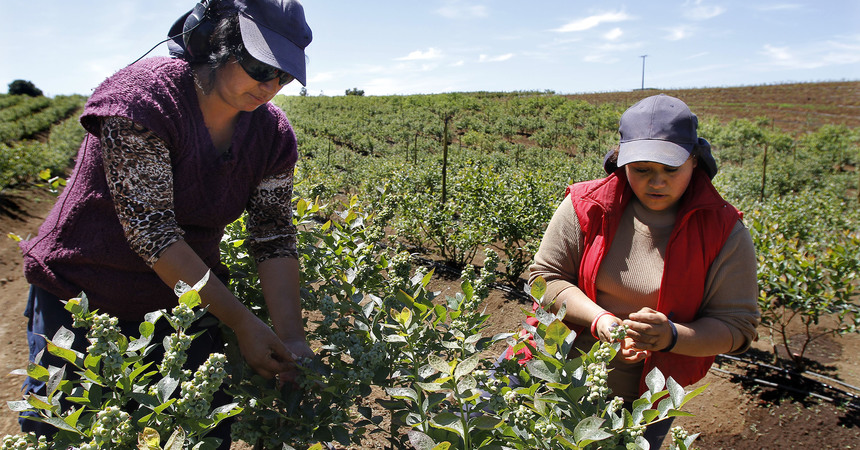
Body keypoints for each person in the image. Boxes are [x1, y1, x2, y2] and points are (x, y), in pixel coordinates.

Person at [17, 0, 313, 446]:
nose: (270, 85)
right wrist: (243, 323)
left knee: (202, 430)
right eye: (258, 65)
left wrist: (291, 340)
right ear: (213, 41)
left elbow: (272, 235)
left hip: (182, 302)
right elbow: (152, 232)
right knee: (65, 428)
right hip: (81, 292)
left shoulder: (271, 134)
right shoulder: (141, 101)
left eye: (284, 75)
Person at [523, 94, 760, 447]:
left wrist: (671, 336)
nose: (656, 183)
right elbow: (544, 278)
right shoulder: (587, 205)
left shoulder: (724, 231)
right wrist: (600, 319)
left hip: (640, 407)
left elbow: (737, 327)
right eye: (642, 170)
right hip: (551, 376)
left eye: (670, 170)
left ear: (694, 161)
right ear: (622, 163)